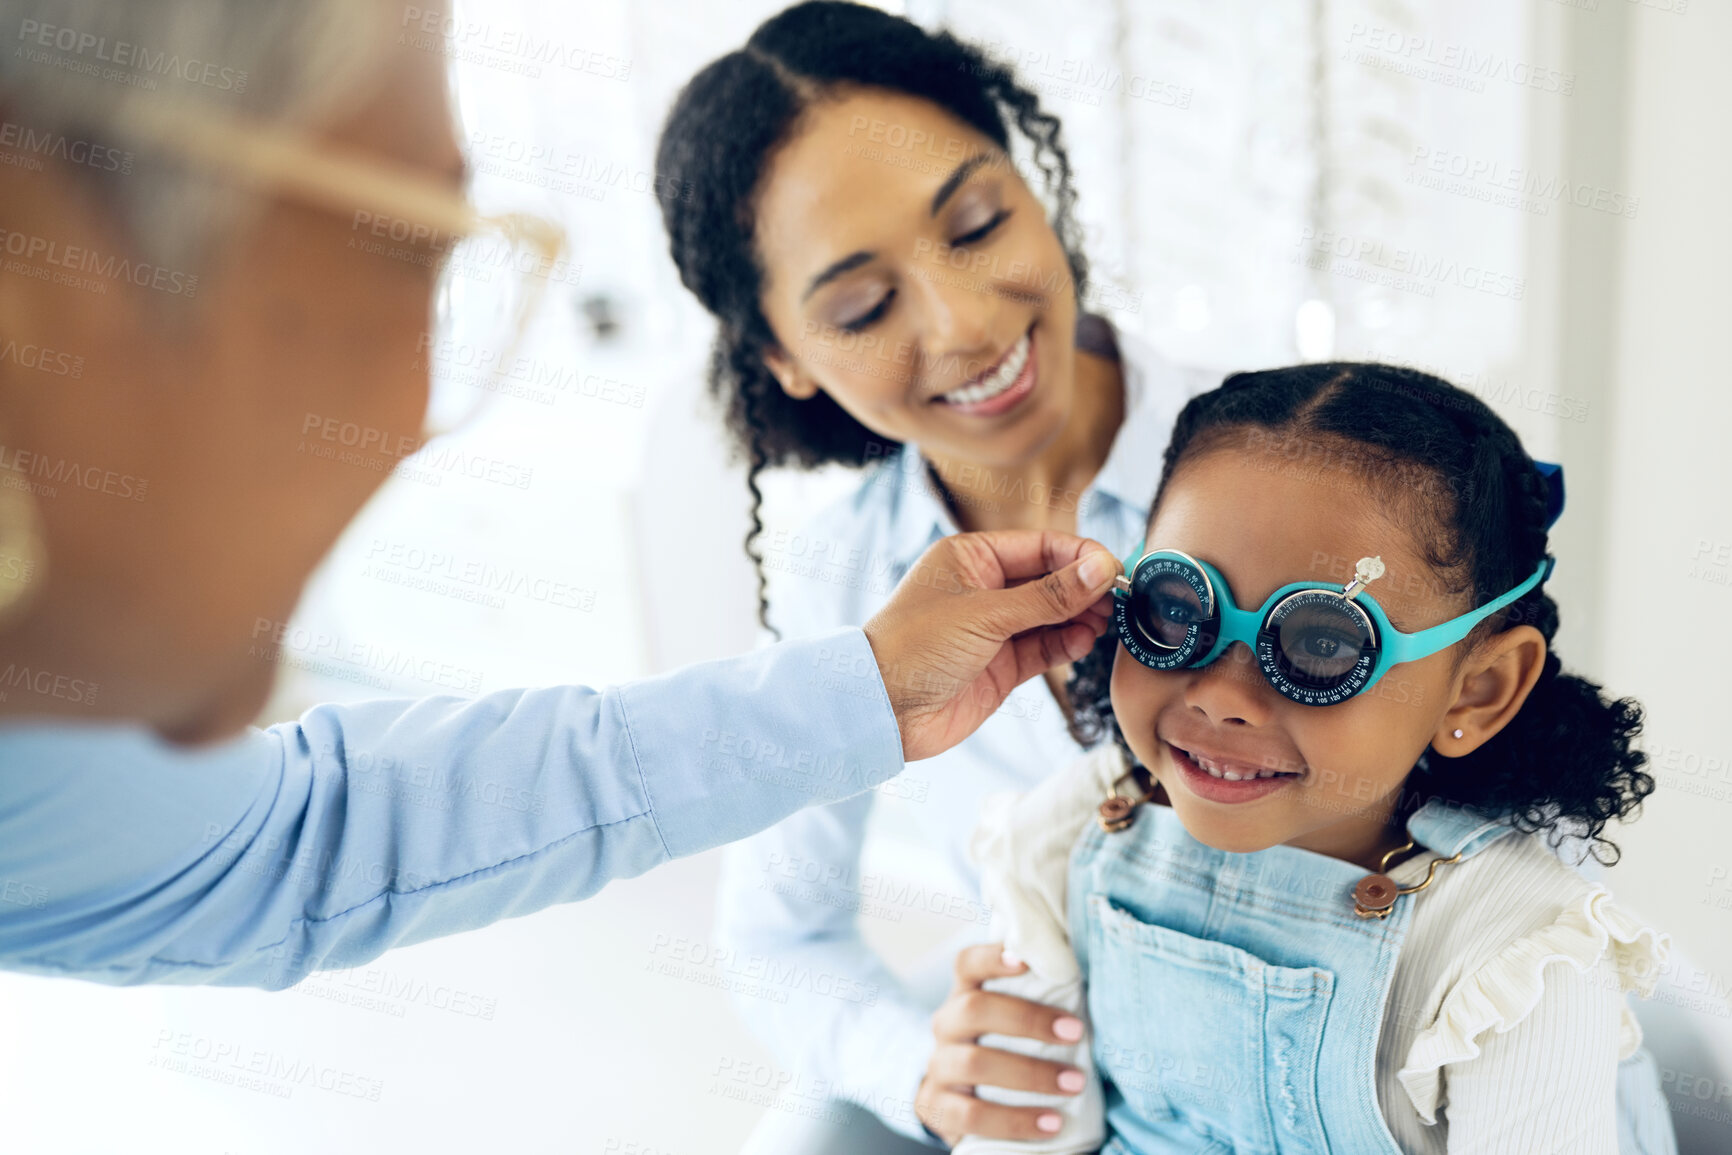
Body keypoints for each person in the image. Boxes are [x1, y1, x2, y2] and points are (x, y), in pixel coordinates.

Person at [0, 0, 1123, 986]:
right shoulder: (842, 567)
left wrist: (865, 691)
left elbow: (295, 838)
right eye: (418, 249)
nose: (411, 413)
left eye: (976, 224)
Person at [653, 4, 1216, 1145]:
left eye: (973, 222)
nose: (962, 324)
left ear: (1028, 181)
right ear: (782, 357)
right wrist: (919, 1065)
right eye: (862, 306)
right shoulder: (844, 580)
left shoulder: (1310, 461)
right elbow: (776, 937)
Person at [926, 363, 1677, 1152]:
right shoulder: (1070, 834)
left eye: (1322, 642)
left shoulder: (1512, 963)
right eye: (1178, 607)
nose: (1222, 696)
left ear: (1477, 690)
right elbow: (1032, 1135)